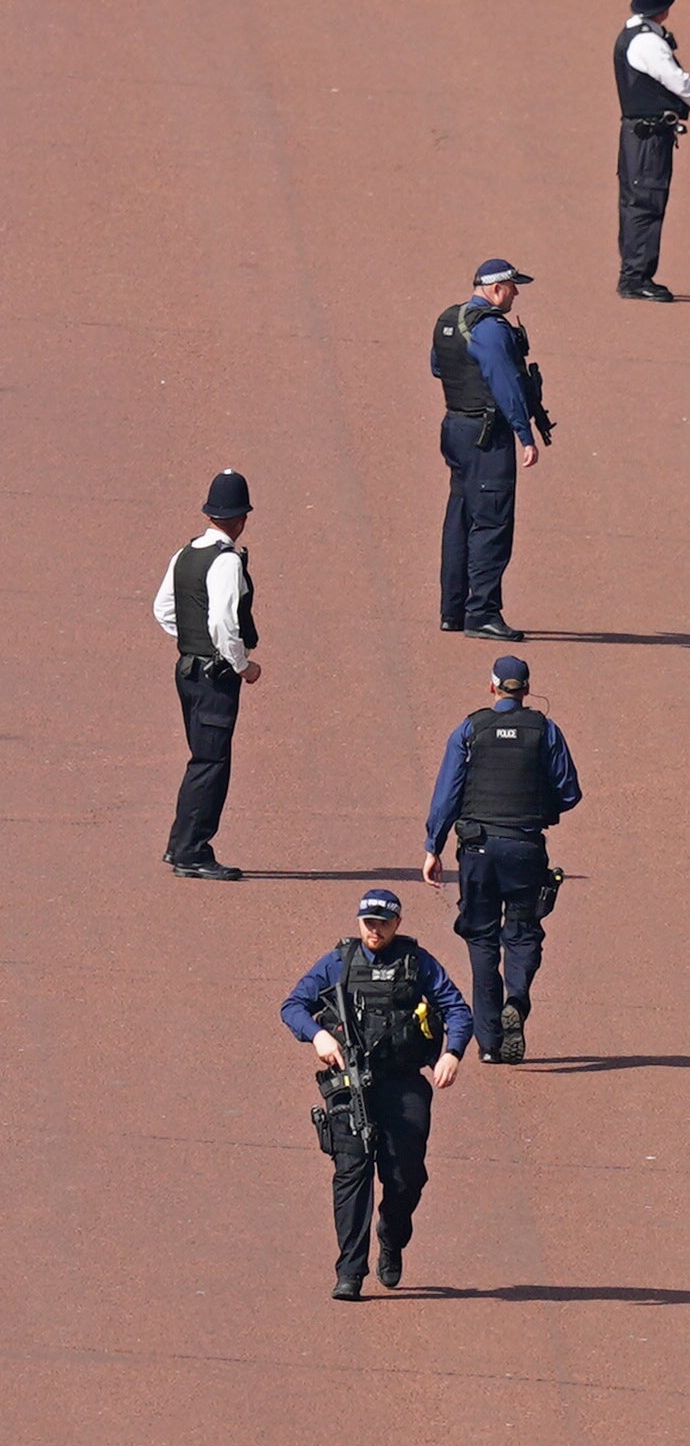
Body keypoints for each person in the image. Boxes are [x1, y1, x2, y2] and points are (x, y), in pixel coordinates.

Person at [280, 889, 472, 1300]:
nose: (375, 929)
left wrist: (452, 1053)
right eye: (369, 922)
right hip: (350, 1085)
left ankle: (391, 1233)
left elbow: (457, 1009)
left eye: (383, 922)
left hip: (403, 1085)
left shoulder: (416, 963)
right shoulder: (338, 962)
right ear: (358, 923)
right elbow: (293, 1005)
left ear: (397, 924)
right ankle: (350, 1272)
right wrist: (318, 1037)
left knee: (406, 1178)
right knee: (351, 1174)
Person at [424, 655, 582, 1064]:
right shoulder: (545, 730)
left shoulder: (470, 729)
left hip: (476, 849)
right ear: (527, 690)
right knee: (523, 931)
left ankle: (490, 1041)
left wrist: (432, 847)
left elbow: (447, 795)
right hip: (525, 846)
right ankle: (518, 999)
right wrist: (537, 807)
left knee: (481, 937)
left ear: (492, 687)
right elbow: (569, 791)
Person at [153, 469, 262, 879]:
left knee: (202, 758)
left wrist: (192, 640)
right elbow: (223, 622)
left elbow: (163, 609)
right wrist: (240, 664)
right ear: (241, 518)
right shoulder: (226, 561)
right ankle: (193, 851)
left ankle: (180, 844)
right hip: (214, 676)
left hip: (187, 670)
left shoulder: (186, 553)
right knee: (211, 761)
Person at [434, 259, 543, 640]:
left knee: (460, 516)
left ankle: (454, 609)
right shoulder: (492, 330)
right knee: (492, 522)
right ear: (496, 289)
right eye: (513, 287)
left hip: (455, 428)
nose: (515, 294)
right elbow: (507, 385)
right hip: (486, 435)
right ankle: (482, 612)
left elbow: (438, 367)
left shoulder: (449, 319)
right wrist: (525, 435)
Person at [615, 0, 690, 302]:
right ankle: (636, 277)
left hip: (636, 137)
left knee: (635, 201)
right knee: (646, 203)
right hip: (648, 139)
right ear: (664, 7)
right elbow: (678, 81)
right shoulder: (649, 42)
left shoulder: (633, 34)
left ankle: (633, 272)